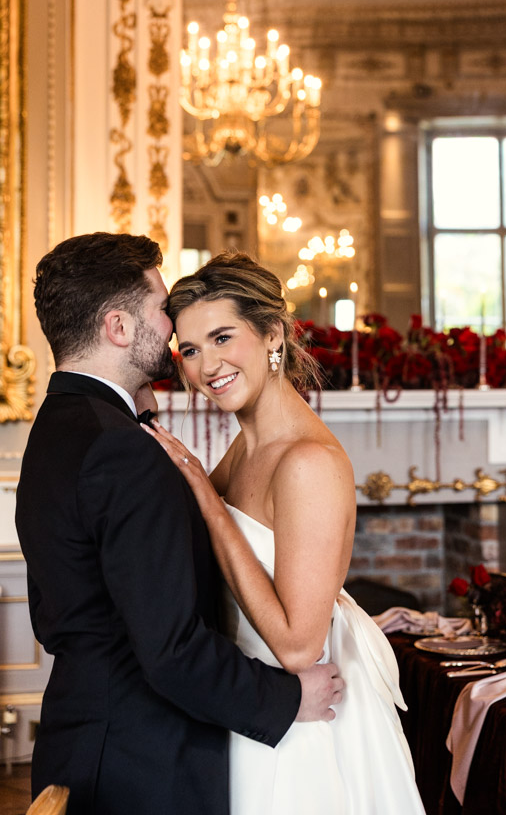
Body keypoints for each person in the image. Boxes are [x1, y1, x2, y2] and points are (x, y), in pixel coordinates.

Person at [15, 232, 343, 815]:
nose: (171, 334)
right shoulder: (121, 448)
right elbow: (169, 651)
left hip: (88, 732)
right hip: (143, 759)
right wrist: (286, 699)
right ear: (119, 327)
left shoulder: (59, 427)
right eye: (163, 315)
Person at [146, 249, 427, 814]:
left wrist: (207, 497)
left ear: (272, 333)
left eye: (223, 338)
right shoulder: (249, 445)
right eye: (192, 349)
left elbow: (300, 647)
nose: (206, 367)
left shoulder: (307, 461)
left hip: (305, 728)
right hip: (255, 706)